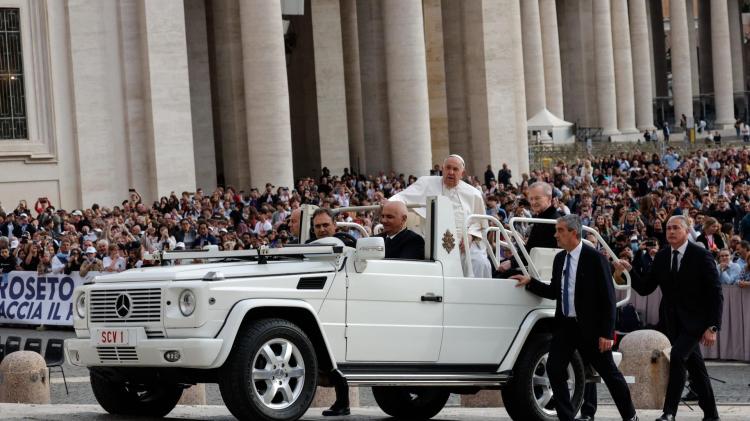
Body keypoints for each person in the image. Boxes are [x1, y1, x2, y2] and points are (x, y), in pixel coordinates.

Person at [513, 215, 638, 421]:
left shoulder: (595, 258)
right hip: (566, 327)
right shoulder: (560, 258)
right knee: (554, 369)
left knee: (610, 375)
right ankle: (566, 417)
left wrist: (607, 333)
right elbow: (554, 291)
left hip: (592, 329)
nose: (556, 235)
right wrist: (531, 282)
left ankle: (630, 416)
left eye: (560, 230)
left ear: (574, 233)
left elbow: (608, 299)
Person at [614, 215, 722, 421]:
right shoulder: (663, 256)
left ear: (686, 230)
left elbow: (716, 293)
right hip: (672, 323)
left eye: (675, 228)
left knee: (678, 358)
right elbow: (646, 288)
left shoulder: (701, 255)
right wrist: (629, 271)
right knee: (696, 369)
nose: (670, 232)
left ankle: (669, 412)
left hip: (696, 322)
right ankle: (712, 415)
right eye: (668, 228)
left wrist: (713, 326)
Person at [390, 154, 487, 276]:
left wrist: (470, 235)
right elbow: (402, 197)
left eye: (455, 169)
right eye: (448, 168)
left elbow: (480, 222)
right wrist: (389, 203)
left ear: (462, 173)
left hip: (464, 244)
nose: (451, 172)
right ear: (442, 169)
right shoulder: (426, 183)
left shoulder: (474, 194)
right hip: (433, 241)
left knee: (479, 262)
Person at [497, 181, 561, 275]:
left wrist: (512, 263)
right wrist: (511, 261)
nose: (533, 202)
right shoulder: (541, 218)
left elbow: (536, 251)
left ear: (549, 198)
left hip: (542, 271)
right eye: (531, 199)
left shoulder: (553, 221)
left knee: (501, 275)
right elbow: (530, 249)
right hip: (535, 266)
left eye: (537, 198)